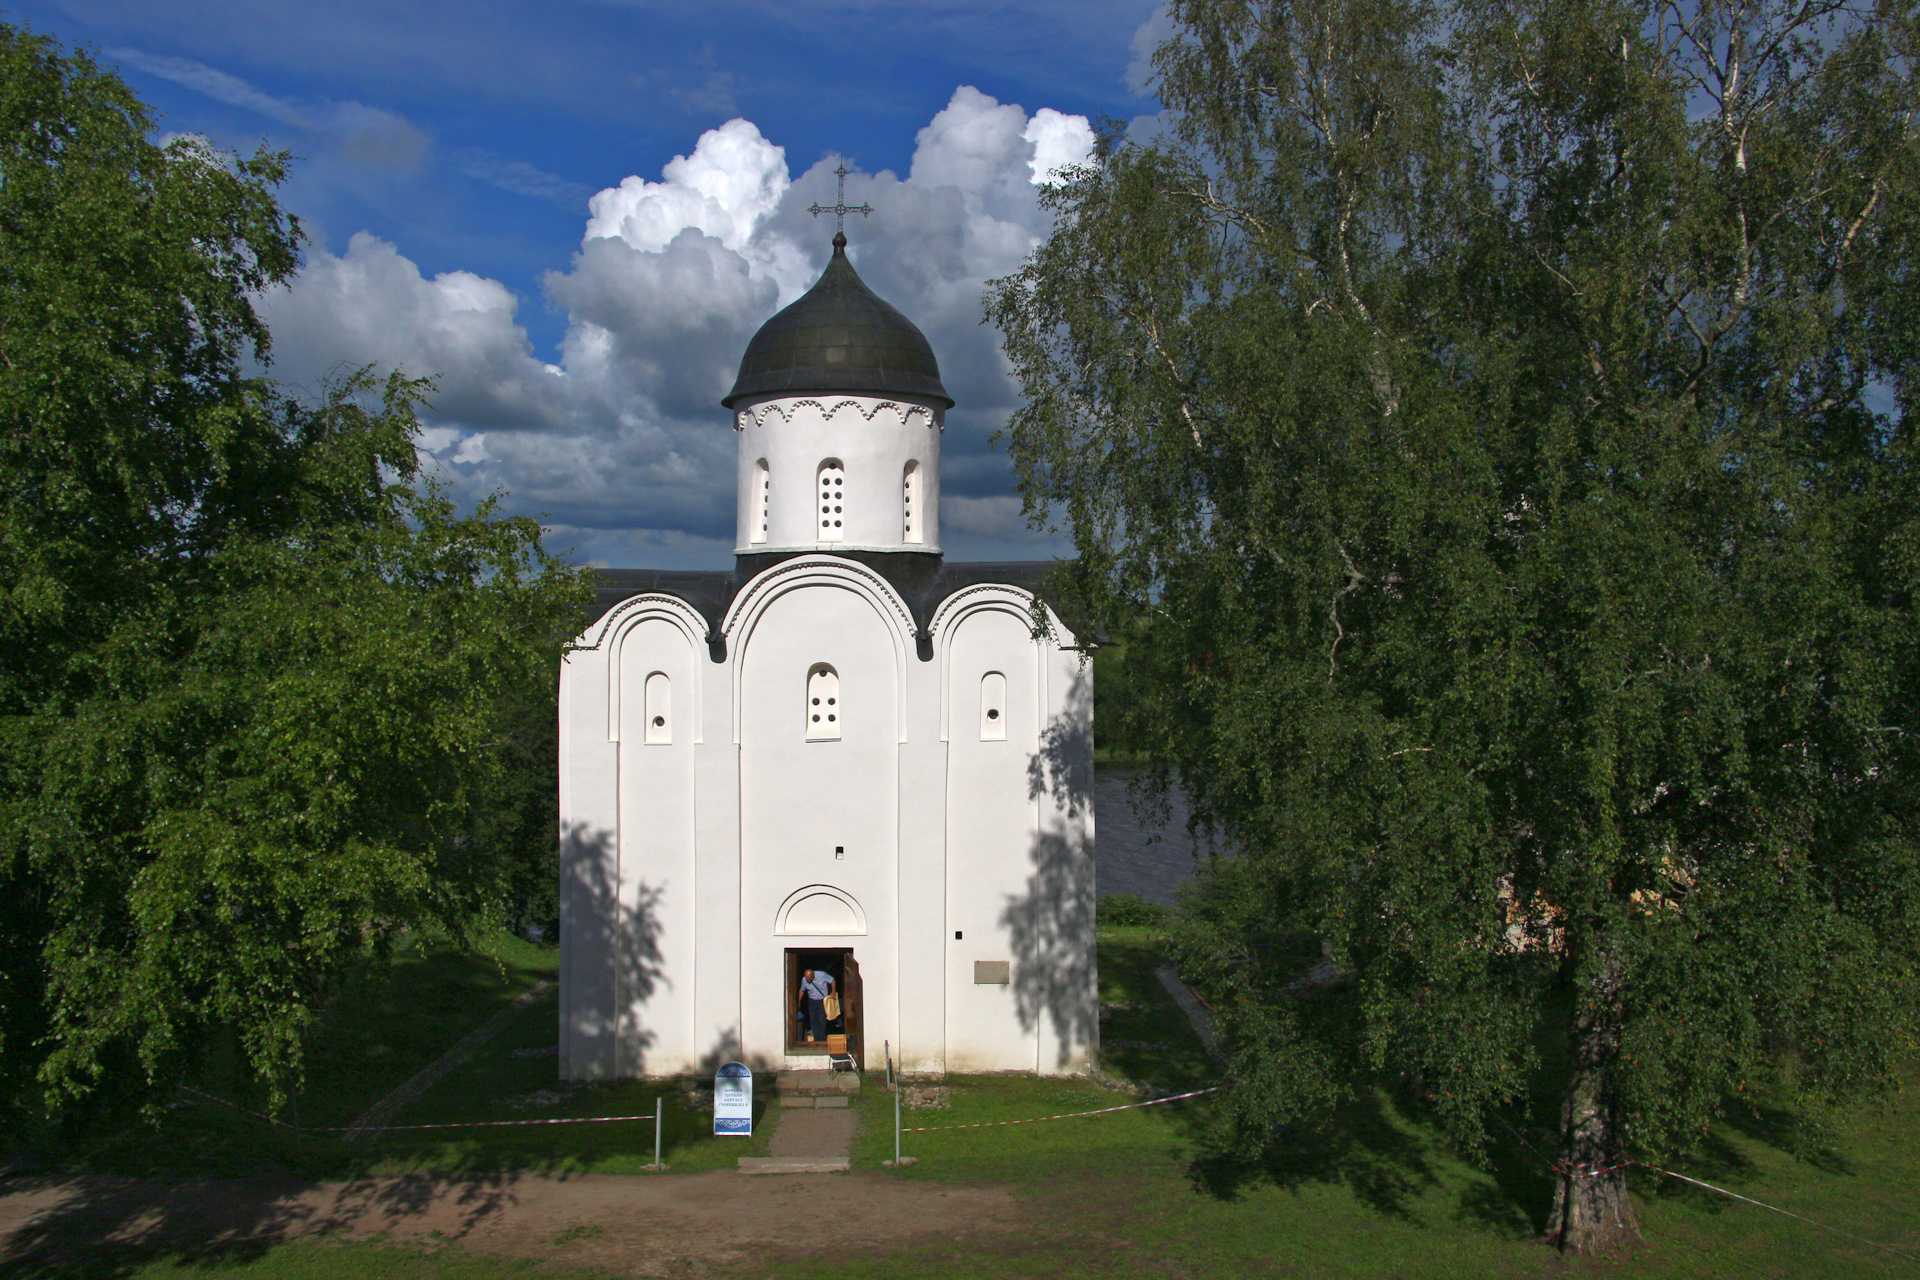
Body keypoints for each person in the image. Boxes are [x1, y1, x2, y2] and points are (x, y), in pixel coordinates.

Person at [798, 967, 835, 1043]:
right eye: (806, 978)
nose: (808, 980)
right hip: (812, 1001)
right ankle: (816, 1038)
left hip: (822, 1000)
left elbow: (832, 980)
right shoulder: (804, 980)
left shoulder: (822, 975)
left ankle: (821, 1038)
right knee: (813, 1020)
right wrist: (798, 1001)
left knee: (821, 1019)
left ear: (813, 975)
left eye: (809, 979)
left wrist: (833, 992)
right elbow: (802, 990)